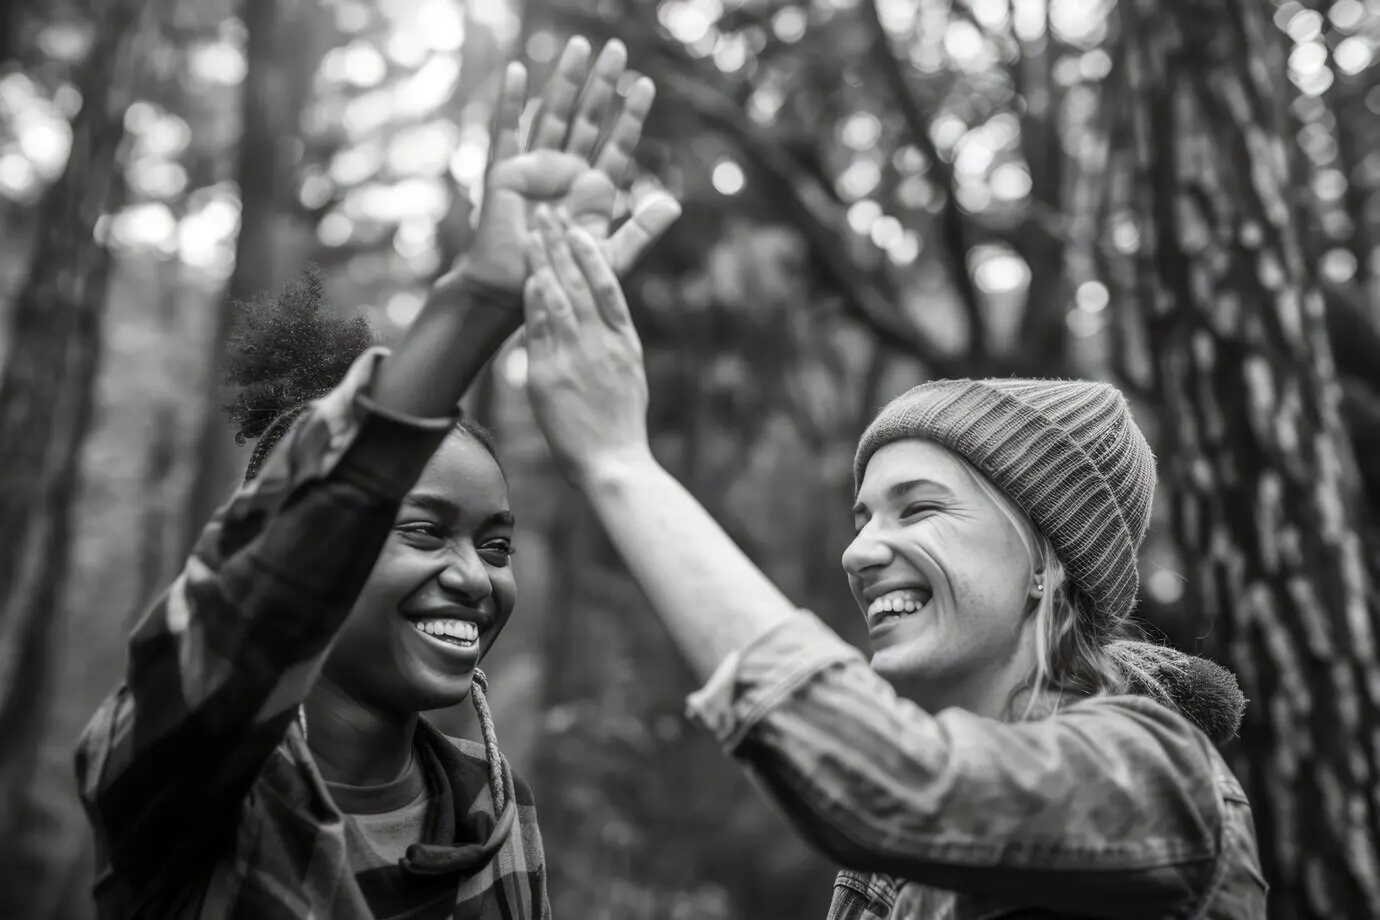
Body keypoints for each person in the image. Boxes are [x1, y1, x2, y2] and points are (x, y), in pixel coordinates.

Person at [73, 37, 681, 919]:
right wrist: (478, 303)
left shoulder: (498, 812)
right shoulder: (183, 778)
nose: (475, 577)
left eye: (495, 545)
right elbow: (235, 624)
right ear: (316, 544)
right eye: (425, 531)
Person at [516, 206, 1267, 918]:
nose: (860, 551)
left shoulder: (1152, 775)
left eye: (920, 508)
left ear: (1050, 561)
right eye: (864, 517)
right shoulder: (894, 873)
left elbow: (902, 786)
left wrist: (621, 463)